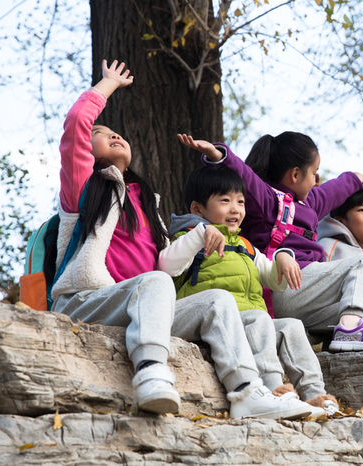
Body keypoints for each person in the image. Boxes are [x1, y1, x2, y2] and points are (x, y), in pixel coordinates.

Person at [52, 59, 313, 420]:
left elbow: (165, 265)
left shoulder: (147, 203)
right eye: (101, 133)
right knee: (156, 283)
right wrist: (108, 84)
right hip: (88, 301)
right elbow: (77, 124)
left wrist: (198, 237)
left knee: (218, 301)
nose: (112, 134)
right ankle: (151, 374)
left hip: (142, 303)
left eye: (116, 132)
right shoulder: (83, 191)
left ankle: (247, 393)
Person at [176, 133, 363, 352]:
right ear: (296, 175)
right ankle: (351, 330)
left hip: (302, 295)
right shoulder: (269, 199)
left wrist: (354, 179)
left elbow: (333, 191)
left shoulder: (309, 204)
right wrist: (219, 155)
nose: (317, 179)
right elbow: (246, 175)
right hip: (283, 285)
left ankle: (353, 332)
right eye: (314, 172)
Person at [158, 164, 338, 417]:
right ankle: (274, 388)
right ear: (198, 209)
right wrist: (200, 234)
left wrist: (284, 257)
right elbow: (166, 265)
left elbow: (276, 282)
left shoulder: (245, 246)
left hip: (253, 325)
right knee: (259, 318)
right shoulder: (189, 238)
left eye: (240, 202)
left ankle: (315, 394)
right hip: (215, 323)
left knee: (291, 326)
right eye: (225, 200)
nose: (235, 209)